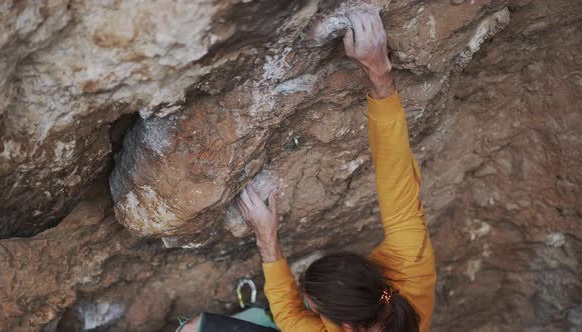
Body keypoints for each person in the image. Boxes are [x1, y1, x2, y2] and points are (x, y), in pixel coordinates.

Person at [181, 8, 435, 332]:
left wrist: (267, 239)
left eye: (310, 304)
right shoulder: (410, 266)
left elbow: (289, 318)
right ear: (375, 277)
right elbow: (395, 173)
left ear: (342, 326)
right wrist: (379, 73)